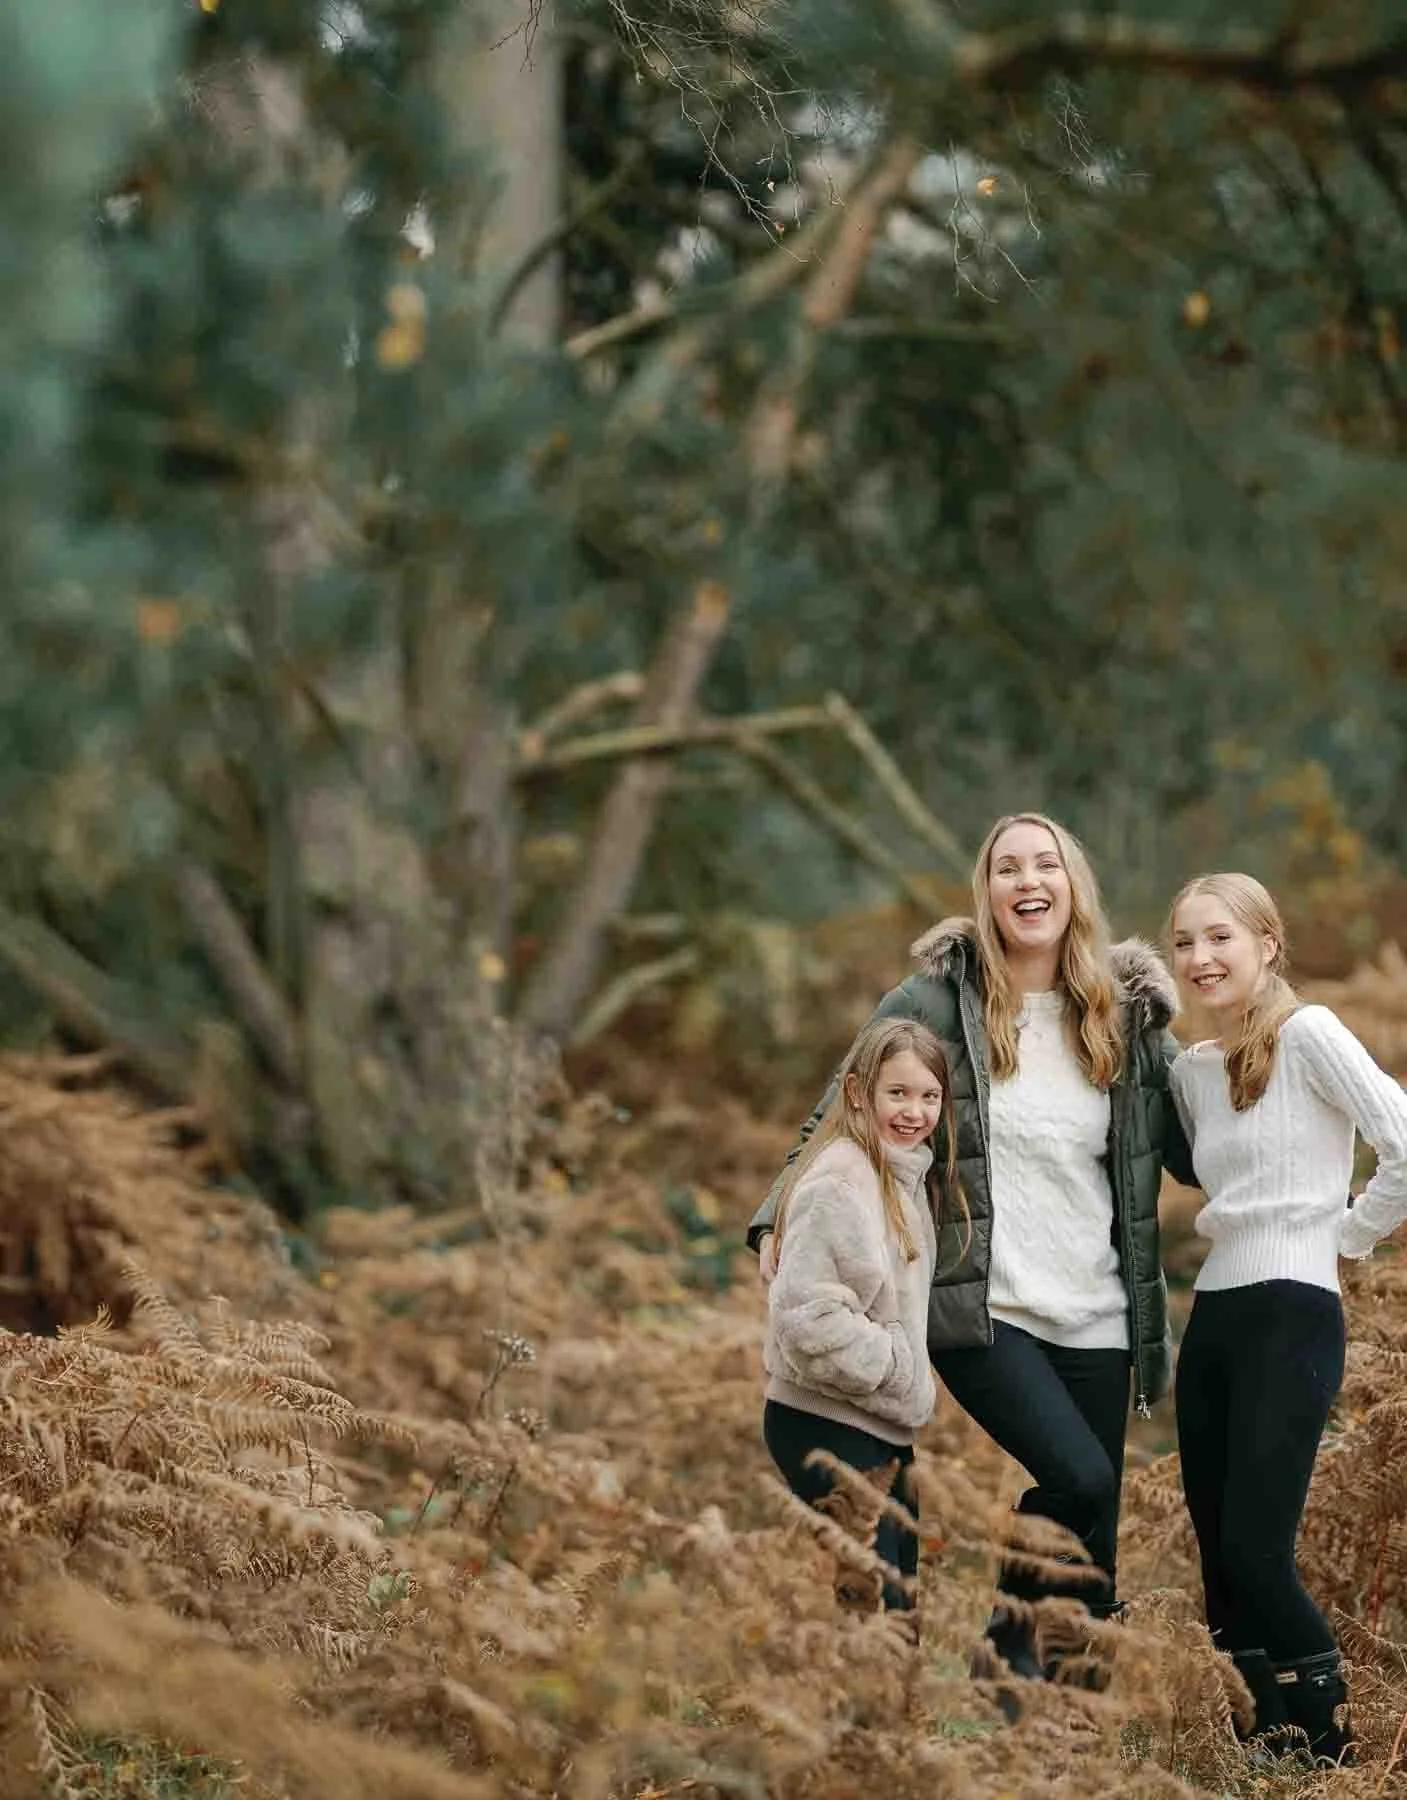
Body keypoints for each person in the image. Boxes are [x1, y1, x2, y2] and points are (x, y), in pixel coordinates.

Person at [752, 812, 1195, 1705]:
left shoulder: (1122, 1016)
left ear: (1074, 887)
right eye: (1007, 867)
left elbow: (1193, 1144)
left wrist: (1260, 1061)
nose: (1027, 881)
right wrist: (774, 1218)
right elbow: (836, 1106)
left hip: (1102, 1310)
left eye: (1046, 865)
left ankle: (1059, 1730)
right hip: (981, 1307)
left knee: (1090, 1529)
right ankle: (1003, 1641)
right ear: (987, 892)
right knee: (1078, 1476)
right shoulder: (931, 1003)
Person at [1167, 872, 1407, 1767]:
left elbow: (1403, 1141)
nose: (1200, 957)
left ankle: (1329, 1745)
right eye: (1184, 941)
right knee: (1217, 1556)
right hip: (1215, 1320)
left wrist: (1341, 1236)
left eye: (1218, 936)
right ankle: (1260, 1742)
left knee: (1257, 1551)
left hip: (1291, 1314)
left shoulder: (1308, 1035)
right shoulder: (1192, 1072)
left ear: (1266, 944)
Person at [763, 1017, 962, 1627]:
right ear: (857, 1092)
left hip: (879, 1424)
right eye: (897, 1093)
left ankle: (885, 1725)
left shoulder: (899, 1177)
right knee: (867, 1610)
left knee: (896, 1613)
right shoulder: (840, 1182)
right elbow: (808, 1318)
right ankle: (856, 1724)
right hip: (826, 1421)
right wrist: (900, 1366)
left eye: (929, 1096)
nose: (914, 1112)